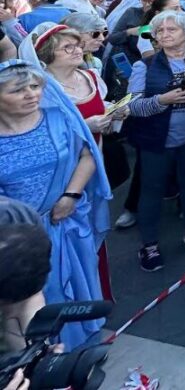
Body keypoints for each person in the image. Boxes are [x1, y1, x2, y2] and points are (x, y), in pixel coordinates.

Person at [0, 60, 111, 350]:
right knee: (28, 302)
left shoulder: (59, 118)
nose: (31, 95)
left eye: (35, 86)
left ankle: (84, 348)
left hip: (66, 221)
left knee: (79, 286)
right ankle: (42, 358)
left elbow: (88, 155)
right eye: (18, 90)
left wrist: (71, 196)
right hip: (19, 239)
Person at [125, 11, 185, 271]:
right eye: (160, 31)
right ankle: (149, 243)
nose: (165, 34)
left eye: (171, 29)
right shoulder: (144, 66)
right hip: (156, 140)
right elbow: (132, 107)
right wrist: (163, 100)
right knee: (151, 191)